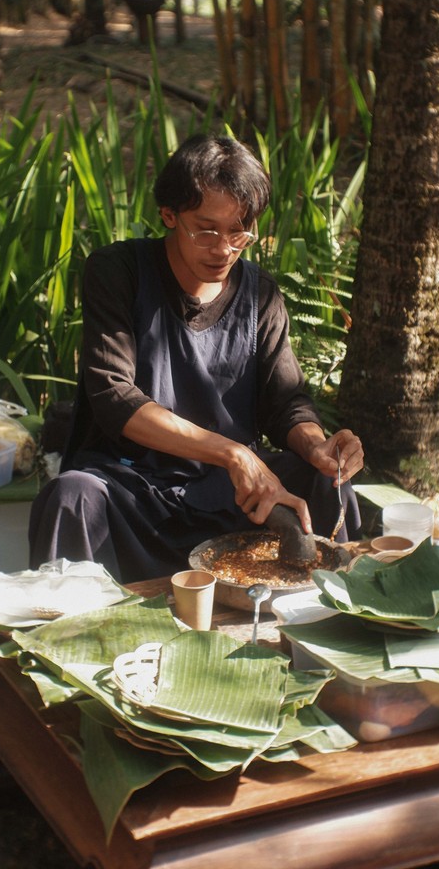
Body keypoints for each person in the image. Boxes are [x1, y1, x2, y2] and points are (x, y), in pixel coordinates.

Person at [29, 134, 364, 583]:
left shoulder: (259, 294)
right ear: (169, 215)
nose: (223, 249)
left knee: (323, 480)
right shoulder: (119, 273)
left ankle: (342, 617)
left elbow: (285, 402)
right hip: (135, 492)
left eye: (238, 232)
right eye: (206, 230)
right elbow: (115, 397)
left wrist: (317, 446)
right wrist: (231, 454)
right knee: (71, 496)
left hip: (229, 495)